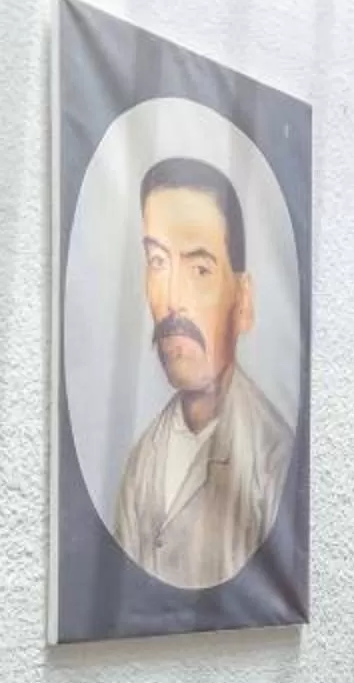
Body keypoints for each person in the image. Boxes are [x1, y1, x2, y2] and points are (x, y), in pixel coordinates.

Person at [107, 156, 297, 587]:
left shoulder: (274, 462)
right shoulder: (142, 461)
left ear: (242, 301)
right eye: (158, 263)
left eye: (199, 269)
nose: (172, 298)